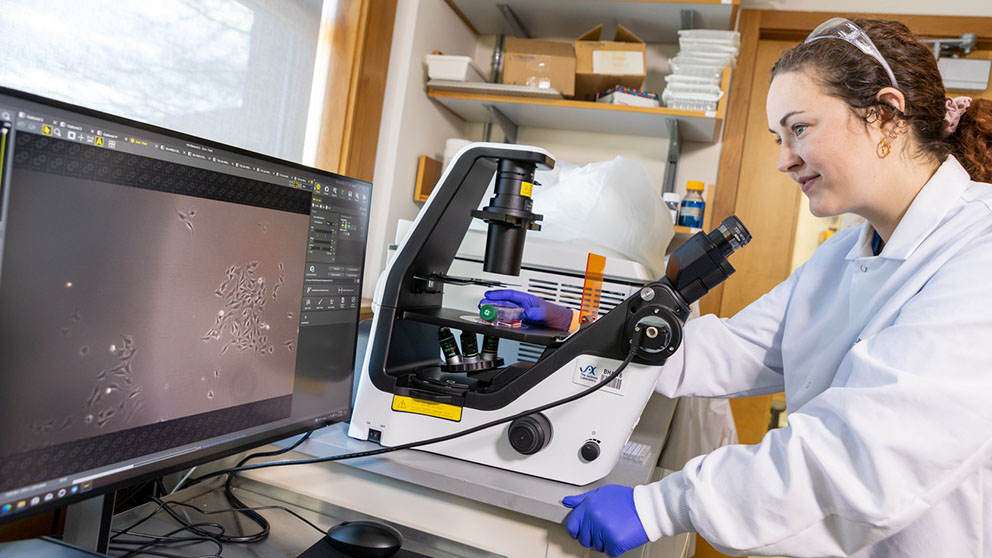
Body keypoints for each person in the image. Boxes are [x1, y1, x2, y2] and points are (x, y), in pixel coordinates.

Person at [484, 18, 992, 557]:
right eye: (779, 137)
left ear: (885, 114)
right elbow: (733, 349)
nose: (783, 160)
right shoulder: (842, 255)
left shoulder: (977, 251)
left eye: (800, 128)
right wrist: (577, 324)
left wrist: (662, 505)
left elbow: (866, 450)